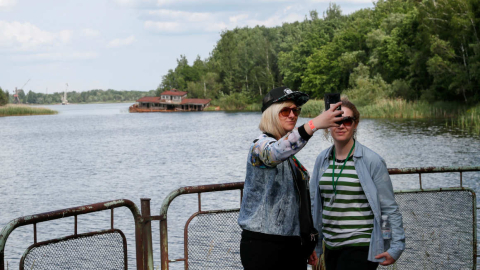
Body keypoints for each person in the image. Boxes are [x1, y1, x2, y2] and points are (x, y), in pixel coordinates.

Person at [238, 86, 343, 270]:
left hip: (292, 245)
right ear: (270, 114)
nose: (292, 115)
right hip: (263, 244)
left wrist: (306, 240)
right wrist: (315, 124)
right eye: (285, 110)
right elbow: (274, 153)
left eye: (296, 110)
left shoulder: (291, 158)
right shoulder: (260, 146)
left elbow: (297, 204)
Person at [310, 98, 405, 270]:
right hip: (331, 246)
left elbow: (387, 208)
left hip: (361, 245)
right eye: (336, 120)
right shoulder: (322, 160)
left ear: (355, 124)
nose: (341, 125)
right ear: (328, 124)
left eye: (346, 120)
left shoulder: (372, 161)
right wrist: (315, 245)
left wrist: (394, 245)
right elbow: (314, 204)